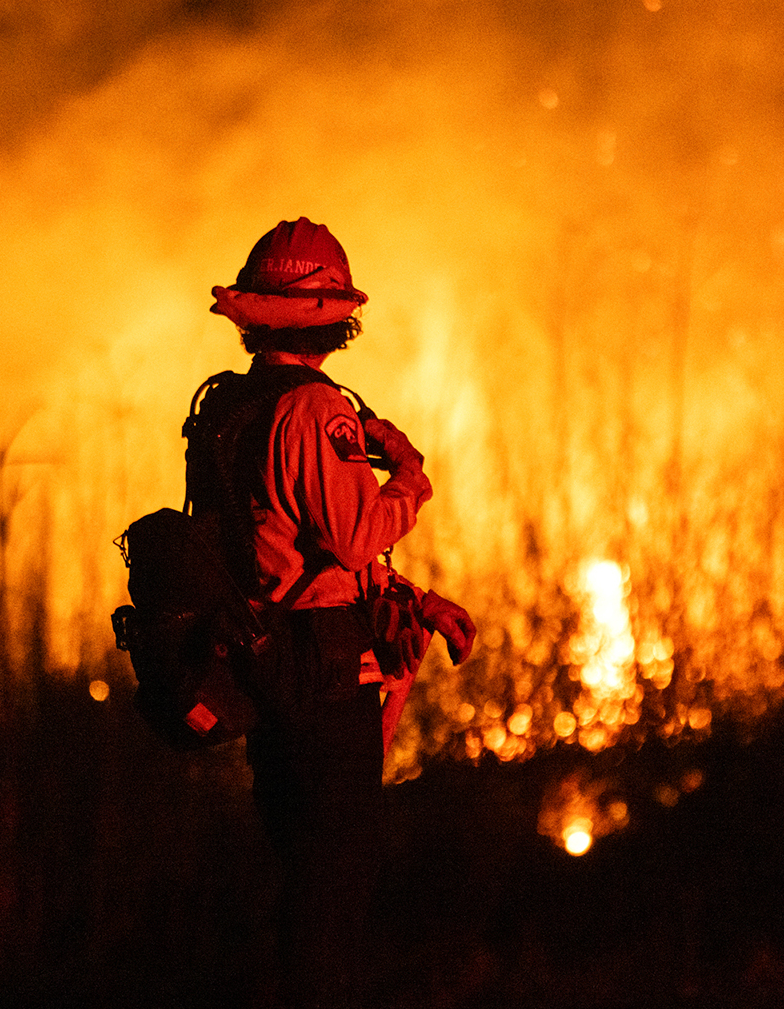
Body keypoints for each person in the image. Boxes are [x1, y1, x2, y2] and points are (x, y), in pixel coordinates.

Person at [192, 217, 476, 1009]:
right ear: (334, 316)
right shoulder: (317, 412)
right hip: (320, 671)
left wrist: (414, 602)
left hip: (266, 659)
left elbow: (278, 542)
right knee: (334, 881)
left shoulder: (230, 406)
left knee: (298, 866)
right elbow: (353, 538)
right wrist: (410, 473)